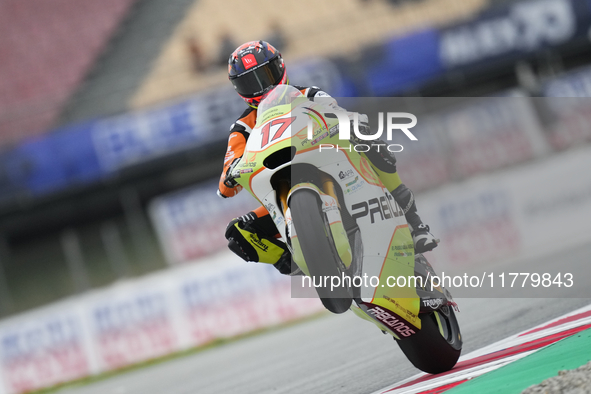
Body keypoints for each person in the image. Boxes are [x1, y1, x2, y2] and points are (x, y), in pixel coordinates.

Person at [218, 40, 437, 275]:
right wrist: (231, 174)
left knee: (371, 142)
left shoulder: (308, 94)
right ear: (238, 89)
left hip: (329, 166)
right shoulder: (242, 127)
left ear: (280, 67)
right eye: (250, 82)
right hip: (281, 190)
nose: (261, 87)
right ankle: (291, 261)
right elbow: (226, 180)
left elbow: (337, 113)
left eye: (265, 75)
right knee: (238, 232)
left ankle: (416, 224)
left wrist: (349, 123)